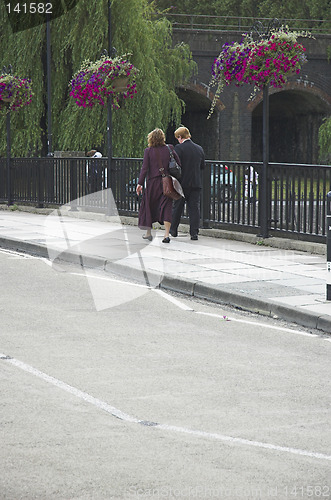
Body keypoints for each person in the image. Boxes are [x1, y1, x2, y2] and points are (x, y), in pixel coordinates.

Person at [136, 128, 181, 243]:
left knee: (149, 206)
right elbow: (178, 163)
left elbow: (144, 168)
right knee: (167, 207)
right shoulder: (169, 148)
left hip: (153, 184)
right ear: (163, 138)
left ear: (151, 138)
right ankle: (166, 235)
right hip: (167, 183)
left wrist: (140, 183)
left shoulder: (148, 151)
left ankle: (148, 233)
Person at [170, 126, 205, 240]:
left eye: (177, 138)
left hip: (181, 183)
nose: (177, 140)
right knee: (194, 208)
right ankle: (194, 233)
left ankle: (173, 230)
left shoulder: (179, 149)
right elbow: (202, 166)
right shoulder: (199, 148)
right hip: (196, 183)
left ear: (180, 137)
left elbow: (174, 165)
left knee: (177, 207)